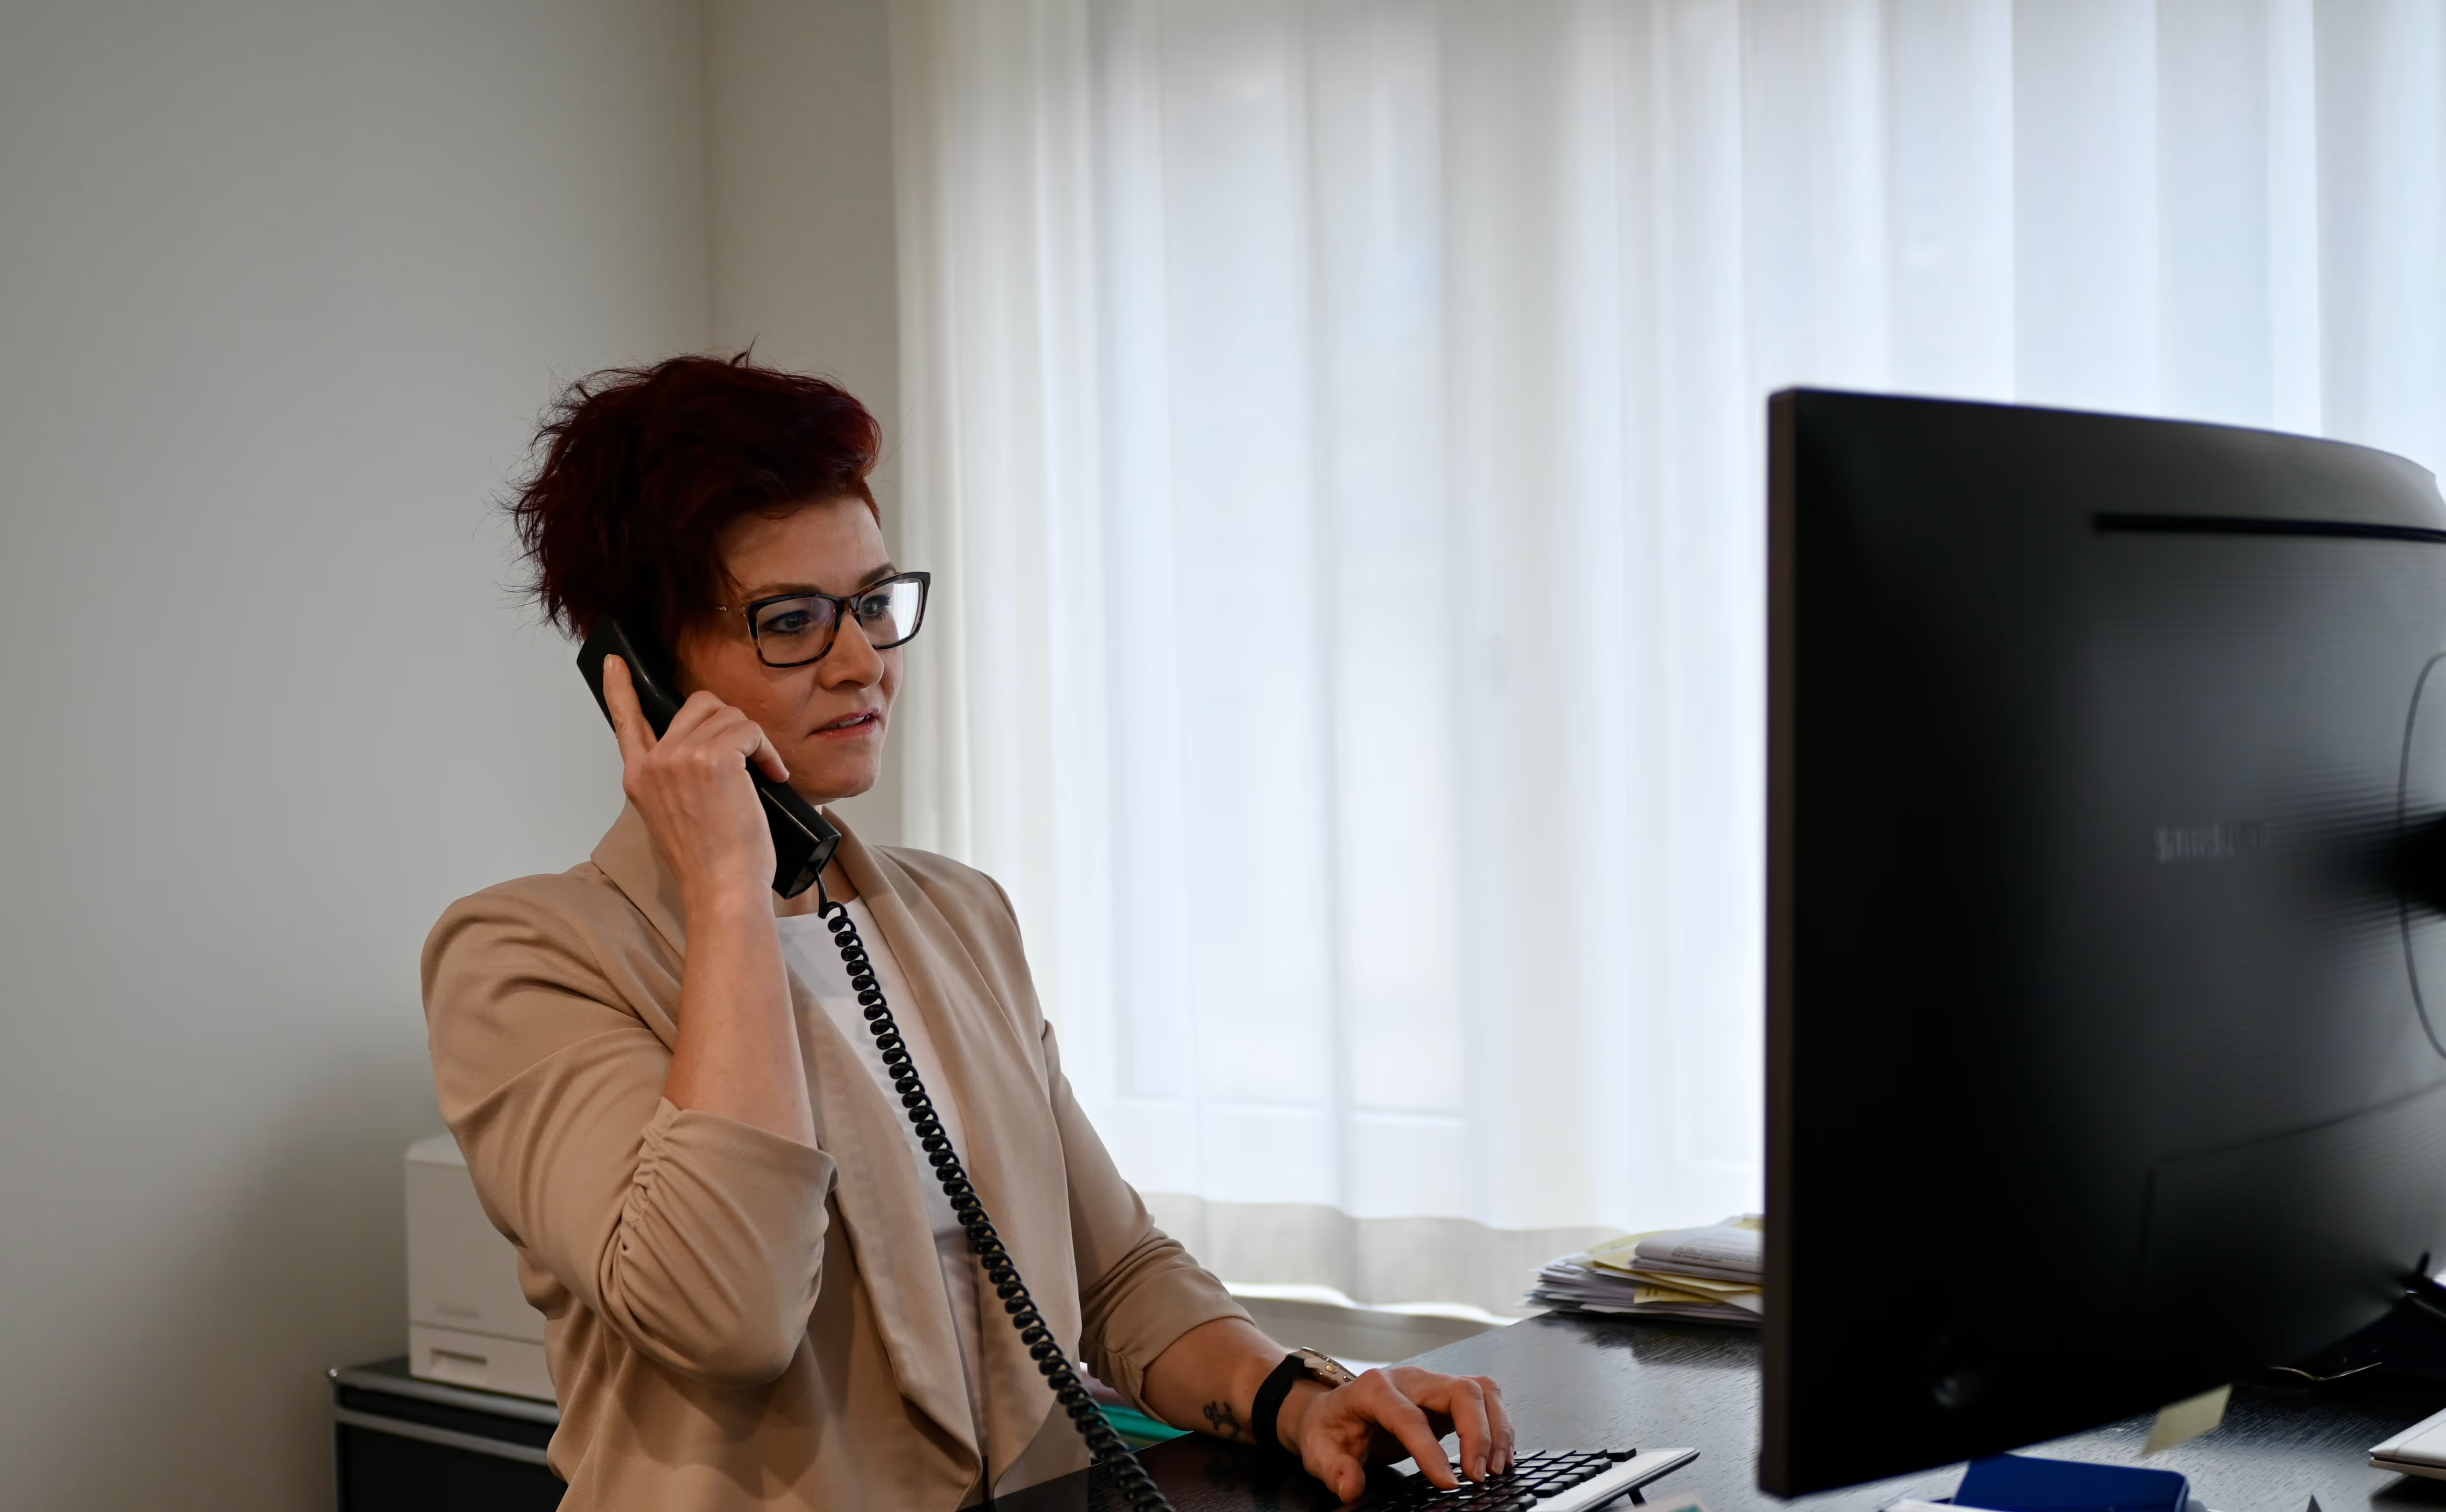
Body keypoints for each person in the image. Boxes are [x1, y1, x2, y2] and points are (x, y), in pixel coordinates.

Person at [421, 353, 1515, 1509]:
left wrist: (1295, 1394)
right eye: (792, 620)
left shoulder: (956, 916)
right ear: (637, 676)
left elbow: (1120, 1272)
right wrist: (735, 888)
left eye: (876, 602)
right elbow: (726, 1313)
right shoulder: (524, 958)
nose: (863, 662)